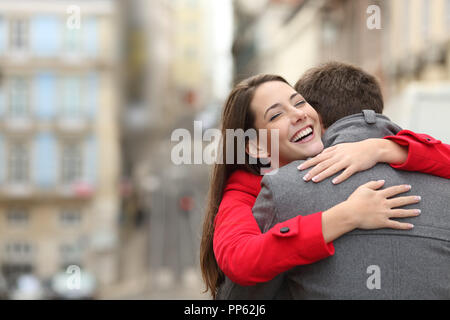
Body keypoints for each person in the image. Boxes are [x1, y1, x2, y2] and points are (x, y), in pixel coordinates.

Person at [200, 72, 450, 299]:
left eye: (299, 103)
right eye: (276, 115)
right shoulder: (241, 194)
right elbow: (241, 261)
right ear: (255, 146)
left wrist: (383, 148)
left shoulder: (357, 155)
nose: (298, 114)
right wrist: (346, 216)